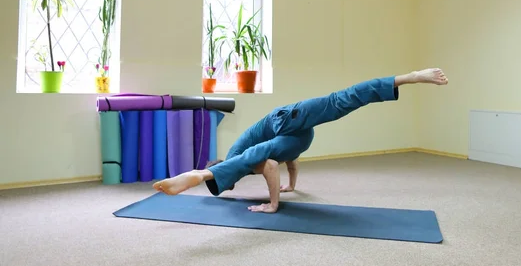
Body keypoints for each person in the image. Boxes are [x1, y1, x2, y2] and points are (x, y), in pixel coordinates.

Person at [153, 68, 448, 213]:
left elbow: (269, 164)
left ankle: (411, 76)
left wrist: (273, 203)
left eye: (228, 184)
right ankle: (199, 175)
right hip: (296, 136)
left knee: (339, 101)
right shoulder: (238, 157)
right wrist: (292, 183)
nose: (233, 186)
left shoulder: (236, 158)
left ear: (227, 178)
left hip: (286, 119)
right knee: (270, 149)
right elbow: (284, 159)